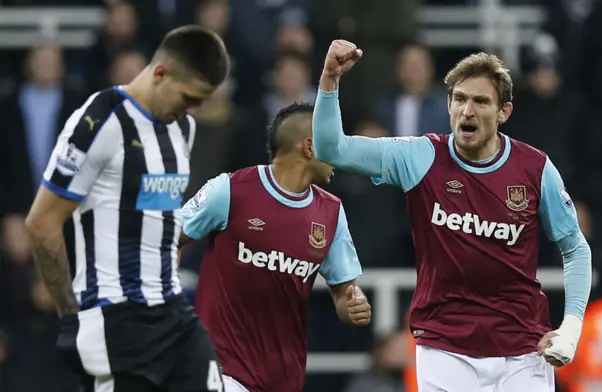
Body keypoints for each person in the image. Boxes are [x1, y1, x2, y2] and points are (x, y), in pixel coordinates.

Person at [312, 40, 592, 392]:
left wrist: (571, 326)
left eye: (480, 101)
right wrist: (329, 79)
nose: (467, 110)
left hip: (522, 349)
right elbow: (330, 148)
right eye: (459, 99)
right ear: (448, 104)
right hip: (445, 350)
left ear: (504, 112)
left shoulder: (535, 168)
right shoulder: (420, 157)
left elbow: (576, 248)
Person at [24, 25, 230, 392]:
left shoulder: (183, 129)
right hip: (115, 321)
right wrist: (70, 313)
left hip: (173, 314)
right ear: (161, 73)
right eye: (189, 96)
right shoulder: (101, 119)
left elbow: (160, 216)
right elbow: (42, 223)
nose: (193, 109)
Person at [179, 102, 371, 392]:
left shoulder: (331, 212)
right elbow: (166, 237)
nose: (340, 152)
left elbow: (344, 292)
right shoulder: (230, 190)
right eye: (334, 141)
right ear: (309, 146)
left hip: (283, 377)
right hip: (220, 369)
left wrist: (353, 305)